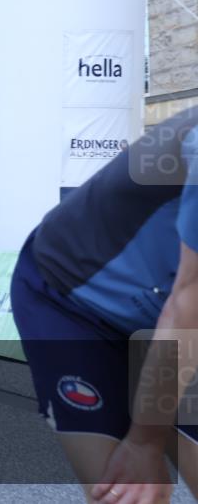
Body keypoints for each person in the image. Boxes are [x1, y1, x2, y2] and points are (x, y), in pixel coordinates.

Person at [11, 107, 197, 503]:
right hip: (69, 302)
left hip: (164, 310)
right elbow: (187, 307)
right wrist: (145, 442)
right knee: (130, 491)